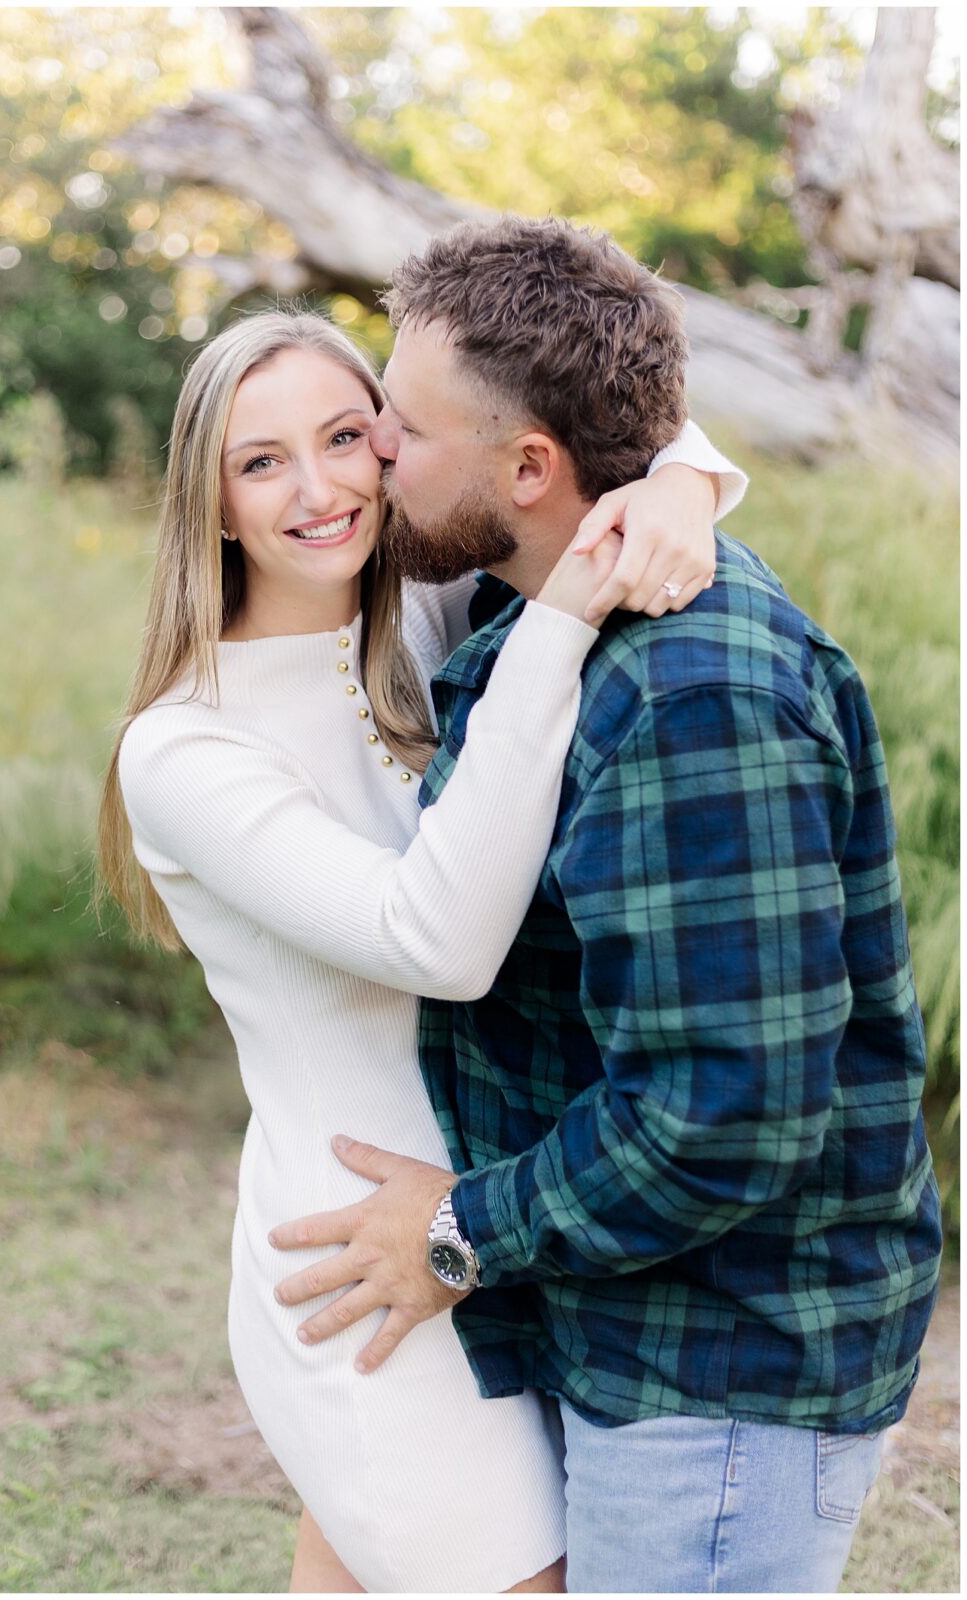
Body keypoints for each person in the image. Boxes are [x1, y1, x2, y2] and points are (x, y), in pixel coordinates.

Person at [269, 217, 944, 1594]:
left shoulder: (692, 698)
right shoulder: (535, 615)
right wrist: (686, 475)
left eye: (400, 422)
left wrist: (459, 1232)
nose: (377, 451)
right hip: (634, 1325)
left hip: (727, 1370)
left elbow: (724, 1115)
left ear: (529, 469)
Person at [98, 304, 747, 1593]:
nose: (322, 487)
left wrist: (676, 481)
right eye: (262, 460)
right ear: (210, 500)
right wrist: (562, 619)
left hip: (498, 1228)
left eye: (348, 436)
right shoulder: (185, 747)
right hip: (357, 1262)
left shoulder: (424, 611)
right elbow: (433, 941)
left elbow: (604, 435)